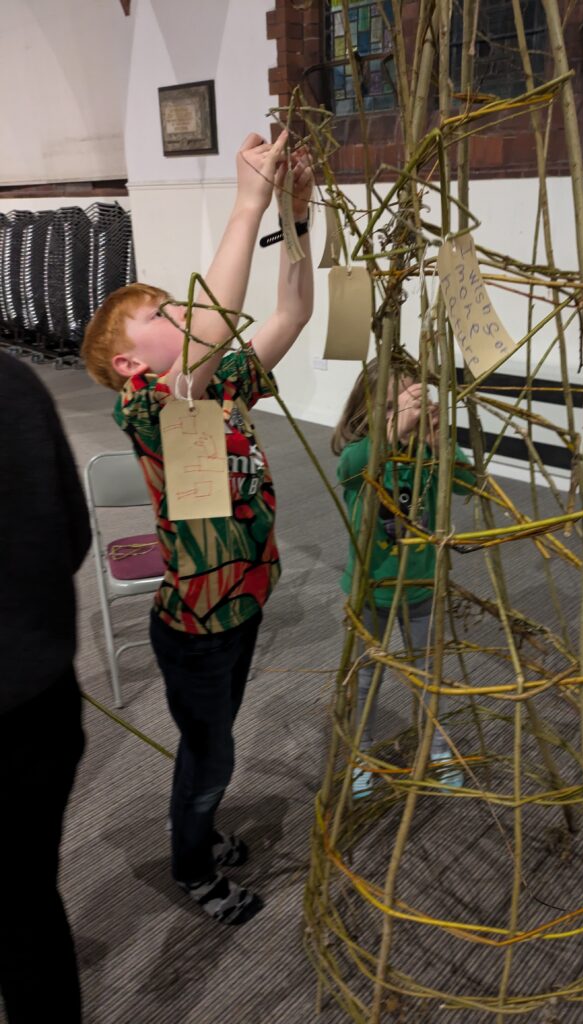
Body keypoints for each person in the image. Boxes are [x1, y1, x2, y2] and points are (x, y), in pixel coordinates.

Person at [80, 130, 314, 925]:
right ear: (127, 364)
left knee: (216, 746)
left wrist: (299, 218)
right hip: (197, 624)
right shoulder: (147, 407)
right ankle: (192, 867)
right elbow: (211, 328)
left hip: (243, 605)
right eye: (154, 310)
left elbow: (294, 311)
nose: (175, 306)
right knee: (210, 754)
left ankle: (200, 833)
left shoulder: (219, 392)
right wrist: (248, 200)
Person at [332, 359, 476, 798]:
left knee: (428, 672)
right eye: (399, 404)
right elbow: (347, 467)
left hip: (421, 587)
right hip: (369, 588)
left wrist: (441, 444)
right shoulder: (363, 454)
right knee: (364, 675)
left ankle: (436, 747)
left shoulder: (429, 452)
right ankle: (363, 750)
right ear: (371, 410)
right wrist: (393, 430)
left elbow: (470, 486)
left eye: (419, 400)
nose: (415, 411)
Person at [0, 352, 90, 1022]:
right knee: (27, 904)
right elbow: (74, 535)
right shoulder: (14, 379)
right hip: (40, 704)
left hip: (33, 695)